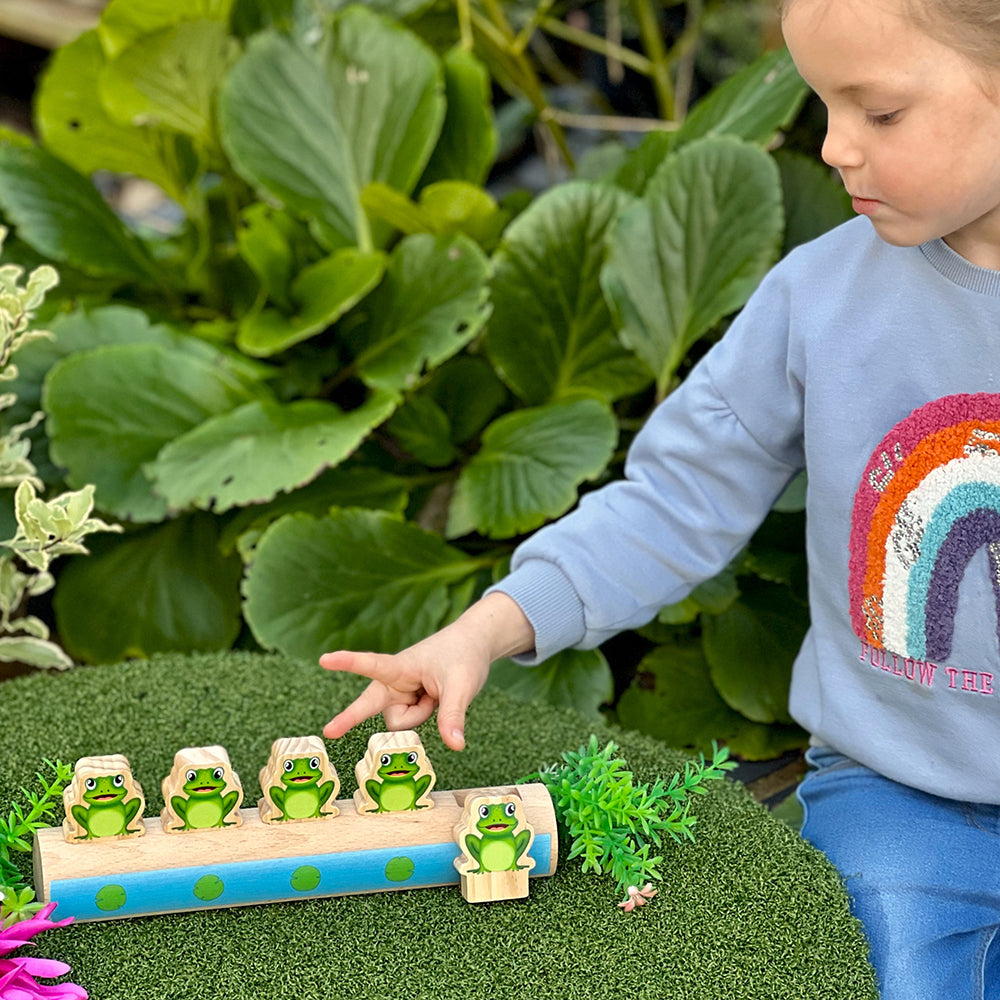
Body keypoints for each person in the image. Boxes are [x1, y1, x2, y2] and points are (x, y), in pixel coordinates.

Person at [321, 0, 1000, 995]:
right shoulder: (815, 299)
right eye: (822, 105)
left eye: (879, 113)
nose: (834, 148)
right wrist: (484, 631)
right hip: (901, 797)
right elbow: (673, 500)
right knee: (872, 971)